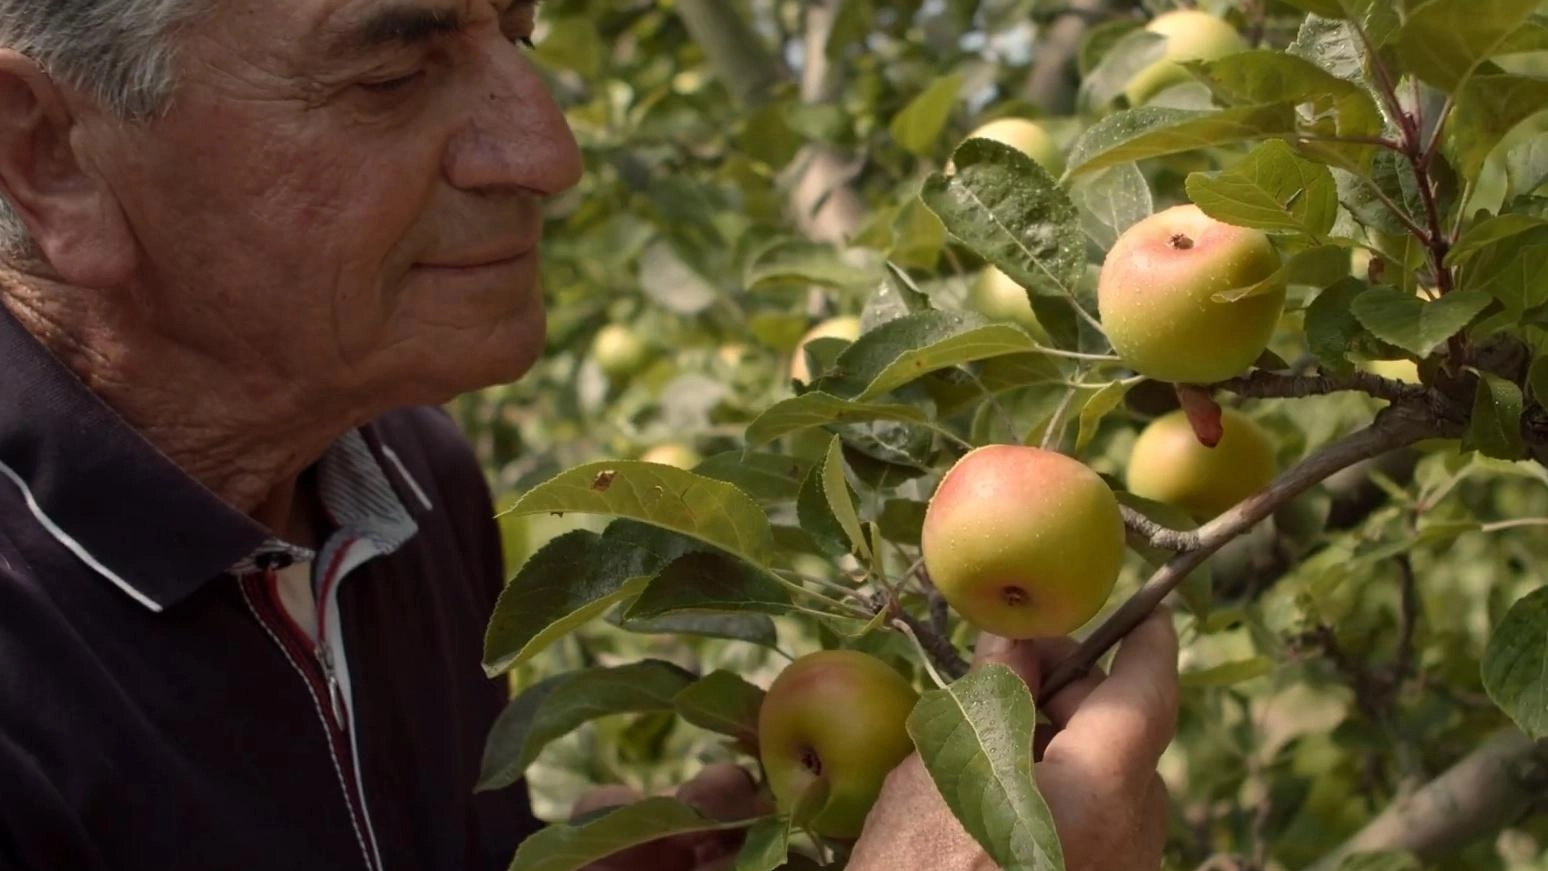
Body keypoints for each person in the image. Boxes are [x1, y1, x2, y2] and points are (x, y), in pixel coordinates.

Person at [0, 1, 1179, 869]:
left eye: (517, 36)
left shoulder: (405, 483)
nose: (546, 153)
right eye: (391, 75)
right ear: (51, 160)